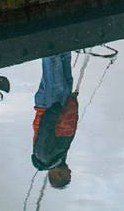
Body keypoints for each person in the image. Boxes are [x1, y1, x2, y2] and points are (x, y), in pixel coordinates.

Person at [31, 53, 79, 189]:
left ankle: (45, 36)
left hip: (51, 104)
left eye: (67, 174)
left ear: (57, 175)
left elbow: (45, 129)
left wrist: (56, 108)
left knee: (51, 58)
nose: (70, 171)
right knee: (63, 55)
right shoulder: (58, 157)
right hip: (62, 102)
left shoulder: (45, 157)